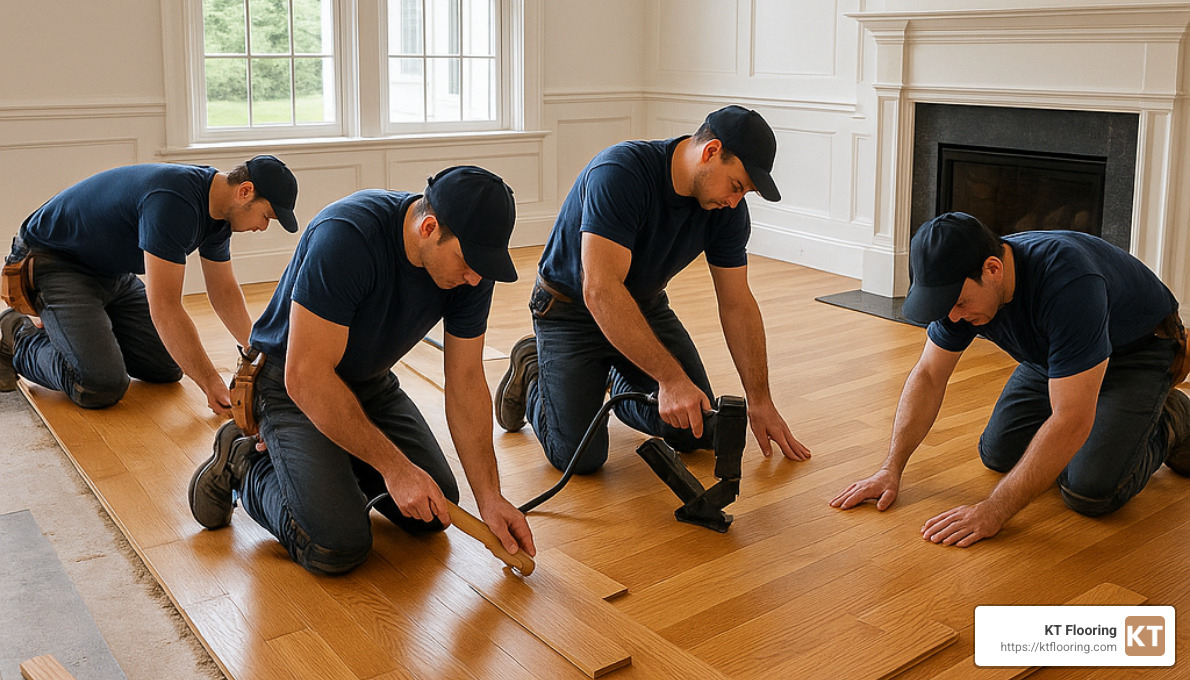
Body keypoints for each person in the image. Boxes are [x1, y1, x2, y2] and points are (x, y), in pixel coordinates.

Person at [187, 166, 535, 576]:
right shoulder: (347, 236)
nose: (474, 276)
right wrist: (395, 467)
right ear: (428, 228)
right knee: (337, 544)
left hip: (368, 383)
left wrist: (490, 497)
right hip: (288, 383)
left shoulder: (471, 272)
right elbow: (305, 376)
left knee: (433, 512)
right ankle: (245, 465)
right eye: (468, 261)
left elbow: (465, 380)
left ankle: (329, 459)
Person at [831, 212, 1190, 547]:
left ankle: (1174, 416)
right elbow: (927, 375)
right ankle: (1106, 416)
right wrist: (890, 469)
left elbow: (1071, 420)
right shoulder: (960, 292)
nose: (953, 318)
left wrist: (994, 510)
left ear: (993, 269)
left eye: (959, 304)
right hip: (1054, 357)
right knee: (998, 453)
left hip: (1135, 353)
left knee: (1090, 491)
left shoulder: (1069, 282)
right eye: (945, 308)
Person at [494, 105, 810, 475]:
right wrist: (671, 379)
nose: (735, 201)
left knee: (695, 429)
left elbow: (737, 303)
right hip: (570, 310)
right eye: (737, 185)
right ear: (710, 152)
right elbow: (600, 289)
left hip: (643, 306)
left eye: (745, 194)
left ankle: (611, 377)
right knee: (579, 458)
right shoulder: (620, 172)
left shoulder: (726, 211)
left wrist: (760, 399)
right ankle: (533, 370)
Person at [0, 156, 300, 412]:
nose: (262, 227)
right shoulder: (174, 201)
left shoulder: (219, 214)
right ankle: (16, 335)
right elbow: (165, 307)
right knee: (98, 385)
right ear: (245, 192)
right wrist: (209, 381)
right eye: (267, 216)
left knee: (167, 367)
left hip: (112, 272)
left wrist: (257, 352)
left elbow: (223, 292)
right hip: (54, 262)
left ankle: (84, 333)